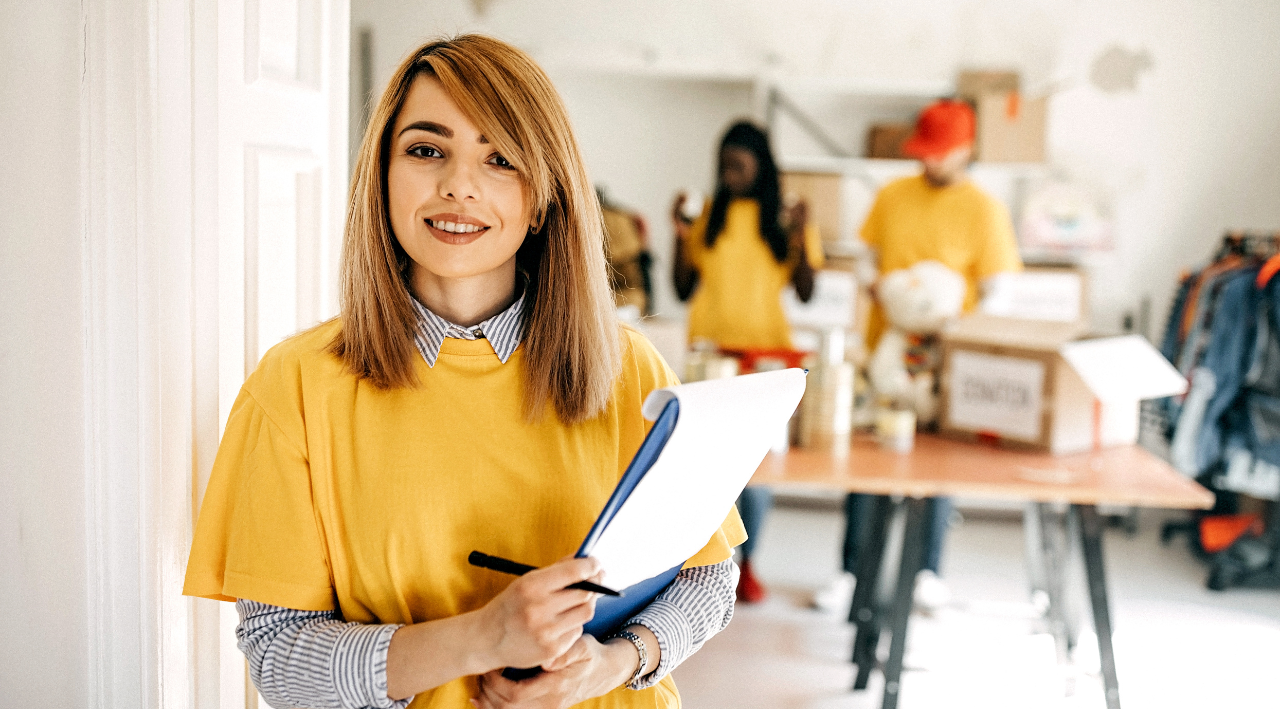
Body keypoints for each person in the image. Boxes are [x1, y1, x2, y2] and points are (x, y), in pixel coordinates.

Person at [183, 35, 745, 709]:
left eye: (501, 159)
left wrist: (613, 663)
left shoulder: (631, 371)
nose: (459, 184)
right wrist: (482, 638)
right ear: (382, 175)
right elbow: (279, 659)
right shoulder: (295, 387)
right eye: (426, 150)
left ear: (543, 198)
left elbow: (709, 577)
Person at [813, 99, 1022, 614]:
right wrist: (881, 287)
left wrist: (958, 327)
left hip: (942, 362)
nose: (926, 163)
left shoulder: (985, 210)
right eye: (922, 153)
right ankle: (852, 573)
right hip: (885, 350)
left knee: (937, 465)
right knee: (867, 462)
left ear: (966, 151)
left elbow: (1000, 288)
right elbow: (866, 256)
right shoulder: (892, 195)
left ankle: (927, 571)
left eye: (938, 154)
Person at [670, 121, 823, 603]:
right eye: (724, 165)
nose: (729, 173)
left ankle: (748, 563)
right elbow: (680, 287)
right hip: (710, 359)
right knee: (705, 466)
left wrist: (801, 234)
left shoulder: (783, 219)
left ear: (762, 166)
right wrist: (679, 235)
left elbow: (806, 290)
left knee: (755, 471)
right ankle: (708, 562)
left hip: (765, 361)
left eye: (739, 164)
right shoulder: (709, 216)